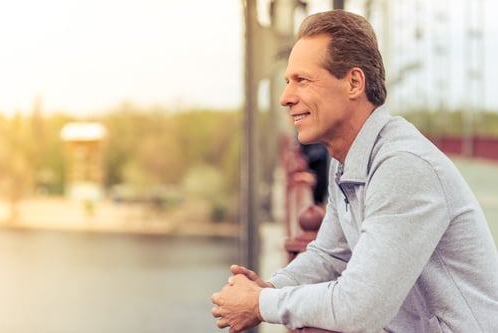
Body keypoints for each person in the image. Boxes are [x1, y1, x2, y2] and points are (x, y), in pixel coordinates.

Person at [211, 9, 498, 333]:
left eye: (302, 80)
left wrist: (259, 304)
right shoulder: (347, 159)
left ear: (353, 82)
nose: (285, 98)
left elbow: (358, 308)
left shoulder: (403, 167)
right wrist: (269, 288)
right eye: (287, 82)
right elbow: (331, 255)